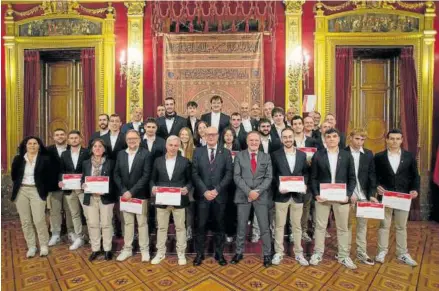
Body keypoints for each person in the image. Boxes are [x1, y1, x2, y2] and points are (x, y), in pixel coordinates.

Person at [309, 128, 357, 269]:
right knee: (320, 227)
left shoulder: (347, 155)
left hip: (342, 198)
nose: (331, 139)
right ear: (325, 139)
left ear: (338, 139)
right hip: (322, 198)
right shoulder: (318, 155)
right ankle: (318, 253)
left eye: (334, 136)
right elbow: (313, 178)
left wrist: (347, 195)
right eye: (328, 136)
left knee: (342, 228)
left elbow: (352, 178)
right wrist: (316, 194)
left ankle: (343, 256)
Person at [374, 129, 420, 266]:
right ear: (387, 140)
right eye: (392, 138)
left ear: (401, 140)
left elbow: (415, 176)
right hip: (386, 196)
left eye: (397, 139)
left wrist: (414, 189)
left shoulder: (409, 156)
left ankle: (402, 253)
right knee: (384, 225)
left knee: (401, 226)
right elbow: (374, 175)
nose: (394, 141)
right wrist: (376, 186)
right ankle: (381, 251)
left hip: (403, 197)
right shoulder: (379, 157)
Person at [231, 131, 273, 267]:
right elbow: (236, 176)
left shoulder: (266, 157)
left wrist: (257, 191)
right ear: (247, 142)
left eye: (256, 140)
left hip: (261, 196)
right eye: (251, 140)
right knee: (241, 226)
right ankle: (238, 252)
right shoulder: (239, 156)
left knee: (264, 227)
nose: (254, 143)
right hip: (244, 195)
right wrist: (249, 191)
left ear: (260, 142)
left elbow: (269, 177)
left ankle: (267, 254)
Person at [192, 127, 233, 266]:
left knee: (220, 227)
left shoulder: (226, 153)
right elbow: (195, 174)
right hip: (203, 197)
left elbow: (229, 174)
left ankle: (219, 254)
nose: (211, 137)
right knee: (201, 226)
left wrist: (217, 190)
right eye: (208, 134)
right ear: (204, 136)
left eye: (213, 134)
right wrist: (204, 191)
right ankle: (199, 254)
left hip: (219, 197)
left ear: (218, 136)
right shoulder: (198, 152)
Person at [150, 136, 192, 265]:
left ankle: (181, 253)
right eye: (171, 145)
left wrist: (187, 188)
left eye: (175, 145)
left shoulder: (185, 161)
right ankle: (160, 253)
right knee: (162, 228)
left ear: (178, 147)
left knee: (180, 227)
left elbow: (190, 180)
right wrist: (153, 187)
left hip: (179, 200)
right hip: (162, 200)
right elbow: (152, 179)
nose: (173, 148)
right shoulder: (157, 161)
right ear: (166, 146)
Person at [271, 128, 309, 266]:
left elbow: (305, 173)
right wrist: (278, 186)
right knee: (279, 226)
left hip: (297, 196)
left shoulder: (302, 155)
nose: (287, 139)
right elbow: (273, 175)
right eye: (285, 137)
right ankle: (278, 252)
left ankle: (299, 253)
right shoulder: (275, 155)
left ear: (294, 138)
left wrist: (304, 184)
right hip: (281, 195)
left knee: (297, 226)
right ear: (281, 139)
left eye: (290, 137)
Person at [114, 130, 152, 262]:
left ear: (139, 140)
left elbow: (146, 176)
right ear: (126, 140)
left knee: (142, 224)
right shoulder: (121, 154)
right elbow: (116, 175)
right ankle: (127, 249)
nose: (132, 141)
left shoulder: (146, 154)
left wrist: (132, 192)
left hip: (140, 195)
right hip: (125, 196)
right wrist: (124, 191)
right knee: (128, 223)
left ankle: (144, 250)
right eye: (129, 139)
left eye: (134, 139)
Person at [11, 136, 51, 257]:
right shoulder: (18, 159)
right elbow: (14, 176)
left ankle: (44, 245)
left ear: (39, 146)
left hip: (37, 191)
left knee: (39, 220)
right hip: (21, 191)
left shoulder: (45, 159)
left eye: (35, 143)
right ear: (25, 145)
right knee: (26, 221)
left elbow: (48, 177)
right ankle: (32, 246)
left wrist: (44, 190)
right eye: (30, 143)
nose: (32, 146)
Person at [345, 128, 377, 265]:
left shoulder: (368, 154)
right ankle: (344, 252)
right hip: (348, 196)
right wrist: (349, 193)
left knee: (362, 226)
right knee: (346, 225)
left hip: (364, 196)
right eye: (357, 138)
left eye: (363, 139)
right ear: (350, 138)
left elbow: (372, 176)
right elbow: (340, 177)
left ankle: (361, 252)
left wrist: (371, 194)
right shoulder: (343, 153)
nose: (360, 142)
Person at [82, 138, 116, 261]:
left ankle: (107, 249)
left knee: (106, 224)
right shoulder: (86, 163)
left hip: (106, 198)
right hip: (90, 198)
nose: (97, 148)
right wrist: (83, 185)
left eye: (100, 146)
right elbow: (83, 179)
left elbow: (115, 180)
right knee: (93, 224)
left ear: (104, 149)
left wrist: (107, 189)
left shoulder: (111, 163)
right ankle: (95, 249)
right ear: (91, 149)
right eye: (95, 146)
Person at [58, 130, 90, 251]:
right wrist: (60, 180)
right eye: (71, 138)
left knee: (87, 214)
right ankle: (79, 237)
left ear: (80, 139)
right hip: (69, 189)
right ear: (68, 140)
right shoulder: (64, 154)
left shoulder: (87, 152)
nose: (74, 140)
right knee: (74, 214)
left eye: (76, 138)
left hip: (83, 189)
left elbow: (89, 169)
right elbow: (61, 171)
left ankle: (92, 237)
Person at [46, 128, 74, 247]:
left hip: (70, 186)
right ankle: (55, 234)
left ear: (66, 136)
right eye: (57, 135)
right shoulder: (47, 151)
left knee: (70, 211)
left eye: (62, 134)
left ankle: (71, 232)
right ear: (53, 137)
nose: (60, 136)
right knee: (54, 211)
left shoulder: (72, 148)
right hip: (53, 186)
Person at [221, 127, 241, 243]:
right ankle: (222, 231)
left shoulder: (239, 150)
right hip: (221, 183)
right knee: (222, 209)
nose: (228, 137)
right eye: (226, 135)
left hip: (235, 184)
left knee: (232, 208)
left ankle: (231, 232)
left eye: (231, 135)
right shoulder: (219, 149)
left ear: (234, 137)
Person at [178, 127, 196, 240]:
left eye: (186, 135)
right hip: (178, 183)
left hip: (191, 183)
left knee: (189, 208)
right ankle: (180, 230)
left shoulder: (195, 150)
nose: (184, 136)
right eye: (182, 134)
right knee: (179, 208)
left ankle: (189, 230)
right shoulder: (175, 149)